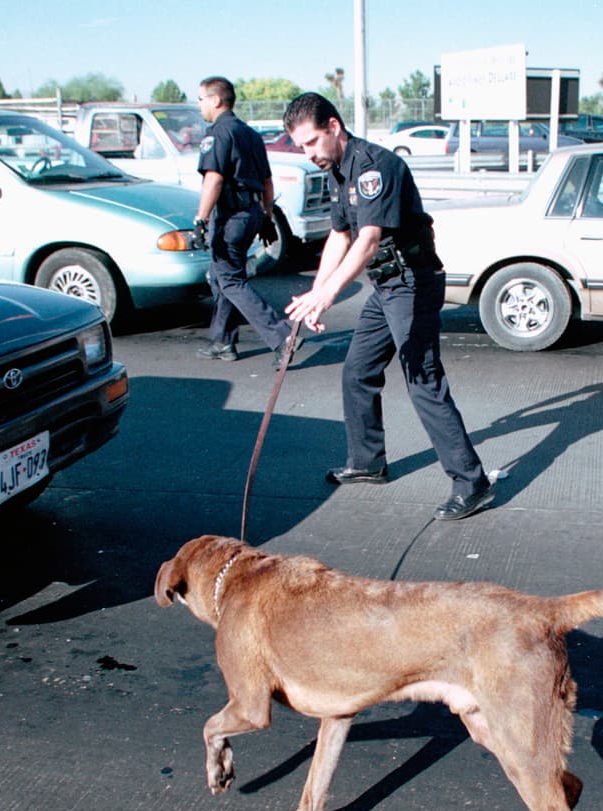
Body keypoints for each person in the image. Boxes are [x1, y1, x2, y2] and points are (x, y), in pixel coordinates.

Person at [282, 93, 494, 522]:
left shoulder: (376, 166)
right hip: (385, 286)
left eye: (310, 143)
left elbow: (369, 239)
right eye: (300, 146)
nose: (307, 154)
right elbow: (339, 238)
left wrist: (327, 295)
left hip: (412, 282)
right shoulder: (338, 172)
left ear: (334, 128)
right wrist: (314, 296)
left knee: (423, 381)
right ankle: (367, 462)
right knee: (357, 371)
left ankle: (471, 482)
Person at [193, 76, 299, 370]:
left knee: (230, 279)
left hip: (230, 216)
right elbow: (267, 180)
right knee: (221, 275)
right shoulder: (249, 134)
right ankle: (222, 341)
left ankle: (282, 336)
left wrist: (200, 220)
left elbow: (213, 178)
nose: (199, 105)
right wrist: (265, 216)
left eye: (201, 99)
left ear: (215, 100)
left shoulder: (218, 133)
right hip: (251, 211)